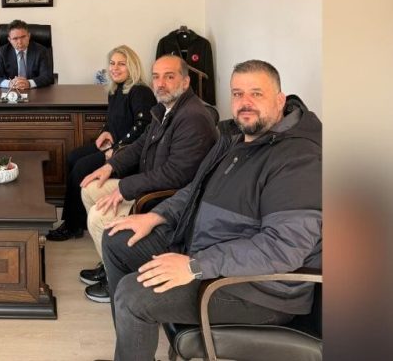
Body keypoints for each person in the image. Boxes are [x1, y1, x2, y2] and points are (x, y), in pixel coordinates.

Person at [102, 60, 322, 361]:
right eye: (237, 94)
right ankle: (133, 348)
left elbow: (281, 248)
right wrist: (156, 216)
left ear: (280, 100)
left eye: (256, 94)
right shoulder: (233, 137)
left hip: (257, 290)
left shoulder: (298, 159)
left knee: (132, 294)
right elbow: (195, 189)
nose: (245, 103)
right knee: (117, 240)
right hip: (205, 249)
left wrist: (194, 265)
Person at [79, 54, 218, 302]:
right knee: (90, 188)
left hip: (165, 199)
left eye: (169, 77)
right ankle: (110, 261)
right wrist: (110, 167)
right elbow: (141, 144)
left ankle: (116, 281)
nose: (160, 83)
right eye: (156, 77)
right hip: (148, 185)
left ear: (185, 82)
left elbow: (176, 175)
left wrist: (124, 188)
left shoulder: (192, 117)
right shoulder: (165, 109)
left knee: (99, 217)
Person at [46, 46, 156, 242]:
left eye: (121, 64)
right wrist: (105, 131)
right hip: (113, 145)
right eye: (112, 63)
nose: (115, 68)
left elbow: (143, 127)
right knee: (72, 157)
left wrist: (116, 150)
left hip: (127, 153)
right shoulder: (115, 90)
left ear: (132, 66)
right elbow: (112, 120)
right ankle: (78, 219)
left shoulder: (141, 91)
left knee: (81, 168)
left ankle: (72, 225)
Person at [0, 19, 54, 90]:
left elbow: (47, 76)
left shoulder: (41, 51)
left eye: (23, 37)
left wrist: (29, 83)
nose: (20, 42)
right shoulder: (3, 52)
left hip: (34, 91)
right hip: (11, 92)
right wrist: (9, 83)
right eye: (15, 38)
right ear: (9, 40)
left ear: (29, 36)